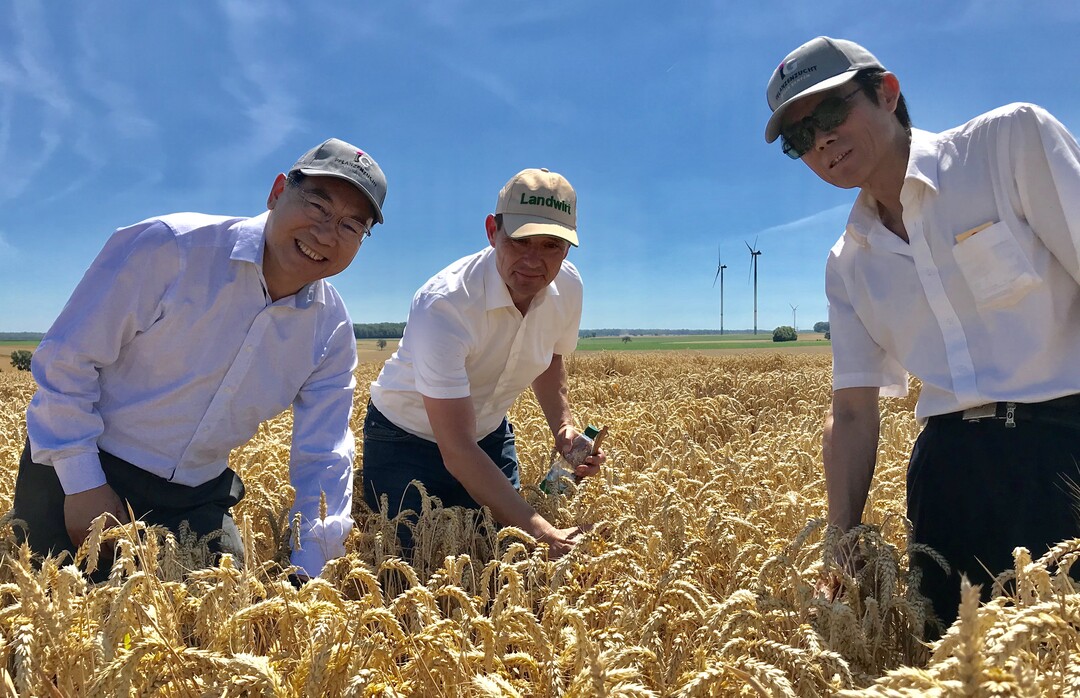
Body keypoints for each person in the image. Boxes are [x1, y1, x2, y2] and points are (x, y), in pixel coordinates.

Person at [763, 36, 1080, 630]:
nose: (821, 140)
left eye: (830, 113)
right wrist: (842, 536)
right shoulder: (847, 262)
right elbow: (853, 410)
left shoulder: (1009, 144)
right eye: (798, 139)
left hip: (1064, 446)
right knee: (949, 661)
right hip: (947, 476)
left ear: (887, 92)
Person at [14, 138, 388, 580]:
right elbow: (67, 360)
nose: (326, 234)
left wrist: (310, 566)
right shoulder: (170, 247)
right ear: (277, 191)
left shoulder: (332, 329)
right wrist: (83, 484)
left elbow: (324, 453)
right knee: (57, 617)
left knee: (218, 622)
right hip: (86, 462)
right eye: (317, 205)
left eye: (350, 226)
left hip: (196, 495)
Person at [363, 167, 603, 559]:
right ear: (492, 231)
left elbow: (549, 356)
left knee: (503, 551)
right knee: (414, 558)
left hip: (488, 434)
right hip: (403, 438)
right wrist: (545, 532)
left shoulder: (568, 287)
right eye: (520, 241)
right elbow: (456, 448)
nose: (533, 260)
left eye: (551, 246)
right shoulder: (445, 303)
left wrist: (564, 430)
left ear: (569, 248)